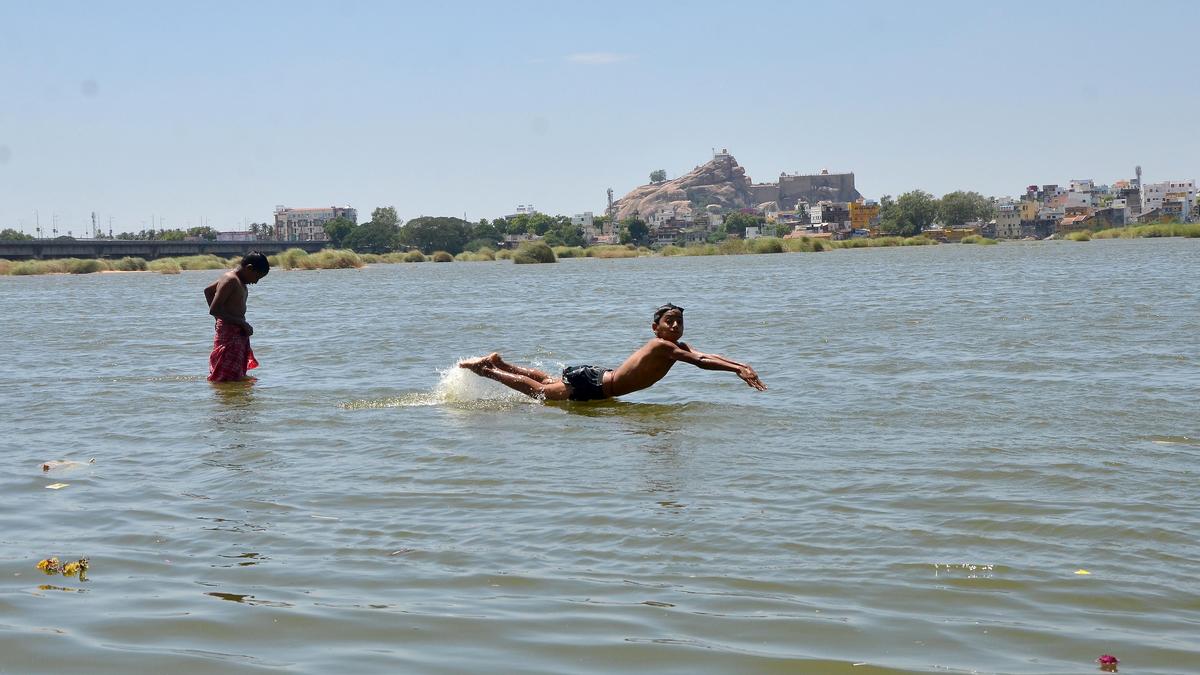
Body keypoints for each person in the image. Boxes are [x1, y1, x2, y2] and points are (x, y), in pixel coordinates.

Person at [459, 304, 766, 401]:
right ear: (655, 328)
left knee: (550, 381)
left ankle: (500, 363)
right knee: (541, 392)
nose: (674, 326)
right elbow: (700, 362)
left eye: (679, 322)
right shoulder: (663, 347)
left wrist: (742, 364)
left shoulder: (676, 347)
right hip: (597, 385)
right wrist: (737, 371)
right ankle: (486, 370)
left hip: (598, 378)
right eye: (668, 322)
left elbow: (704, 354)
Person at [204, 252, 269, 382]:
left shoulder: (239, 280)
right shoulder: (231, 280)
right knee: (225, 377)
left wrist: (222, 319)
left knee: (236, 377)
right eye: (257, 277)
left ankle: (235, 399)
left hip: (236, 331)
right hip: (230, 334)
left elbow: (208, 291)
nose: (255, 282)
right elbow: (214, 309)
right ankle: (225, 400)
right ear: (249, 268)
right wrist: (241, 323)